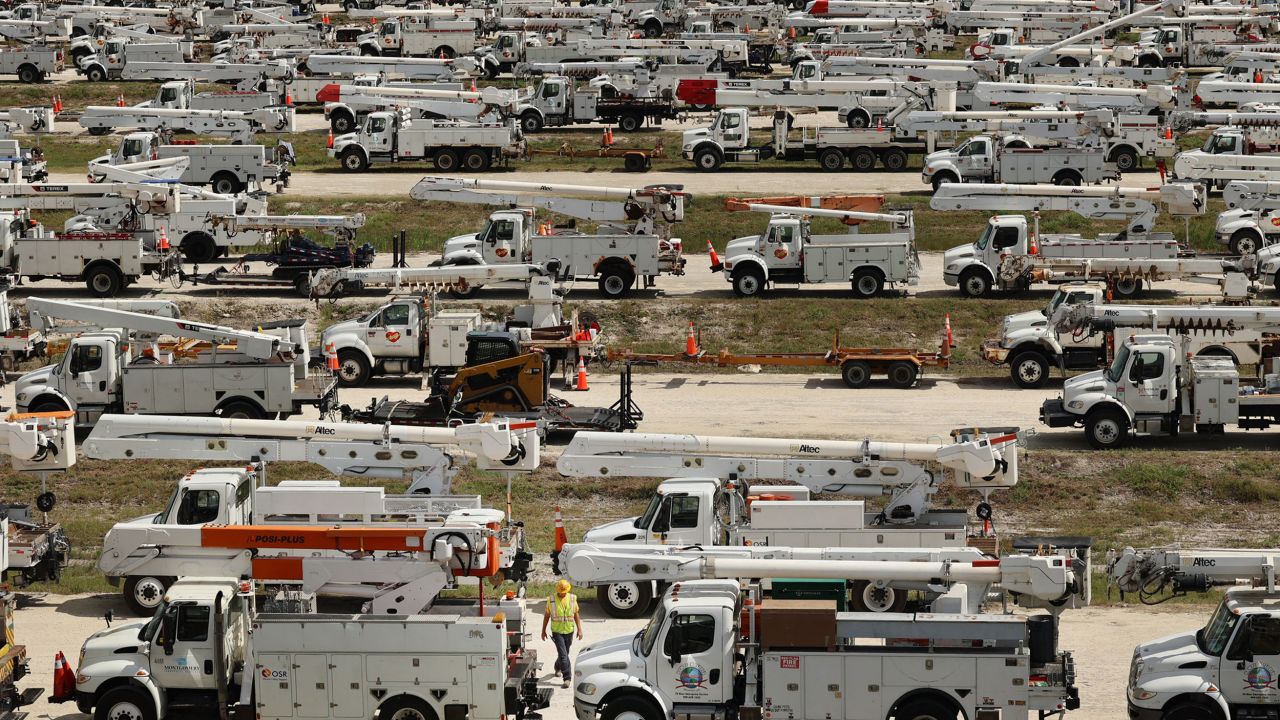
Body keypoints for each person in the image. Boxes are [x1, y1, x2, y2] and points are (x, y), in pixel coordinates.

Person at [541, 578, 582, 689]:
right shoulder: (551, 600)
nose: (563, 594)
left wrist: (579, 629)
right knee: (564, 656)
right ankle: (567, 678)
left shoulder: (573, 598)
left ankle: (557, 667)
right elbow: (546, 616)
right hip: (557, 631)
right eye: (561, 592)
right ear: (558, 590)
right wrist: (543, 630)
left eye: (565, 592)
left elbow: (576, 614)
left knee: (565, 653)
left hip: (569, 630)